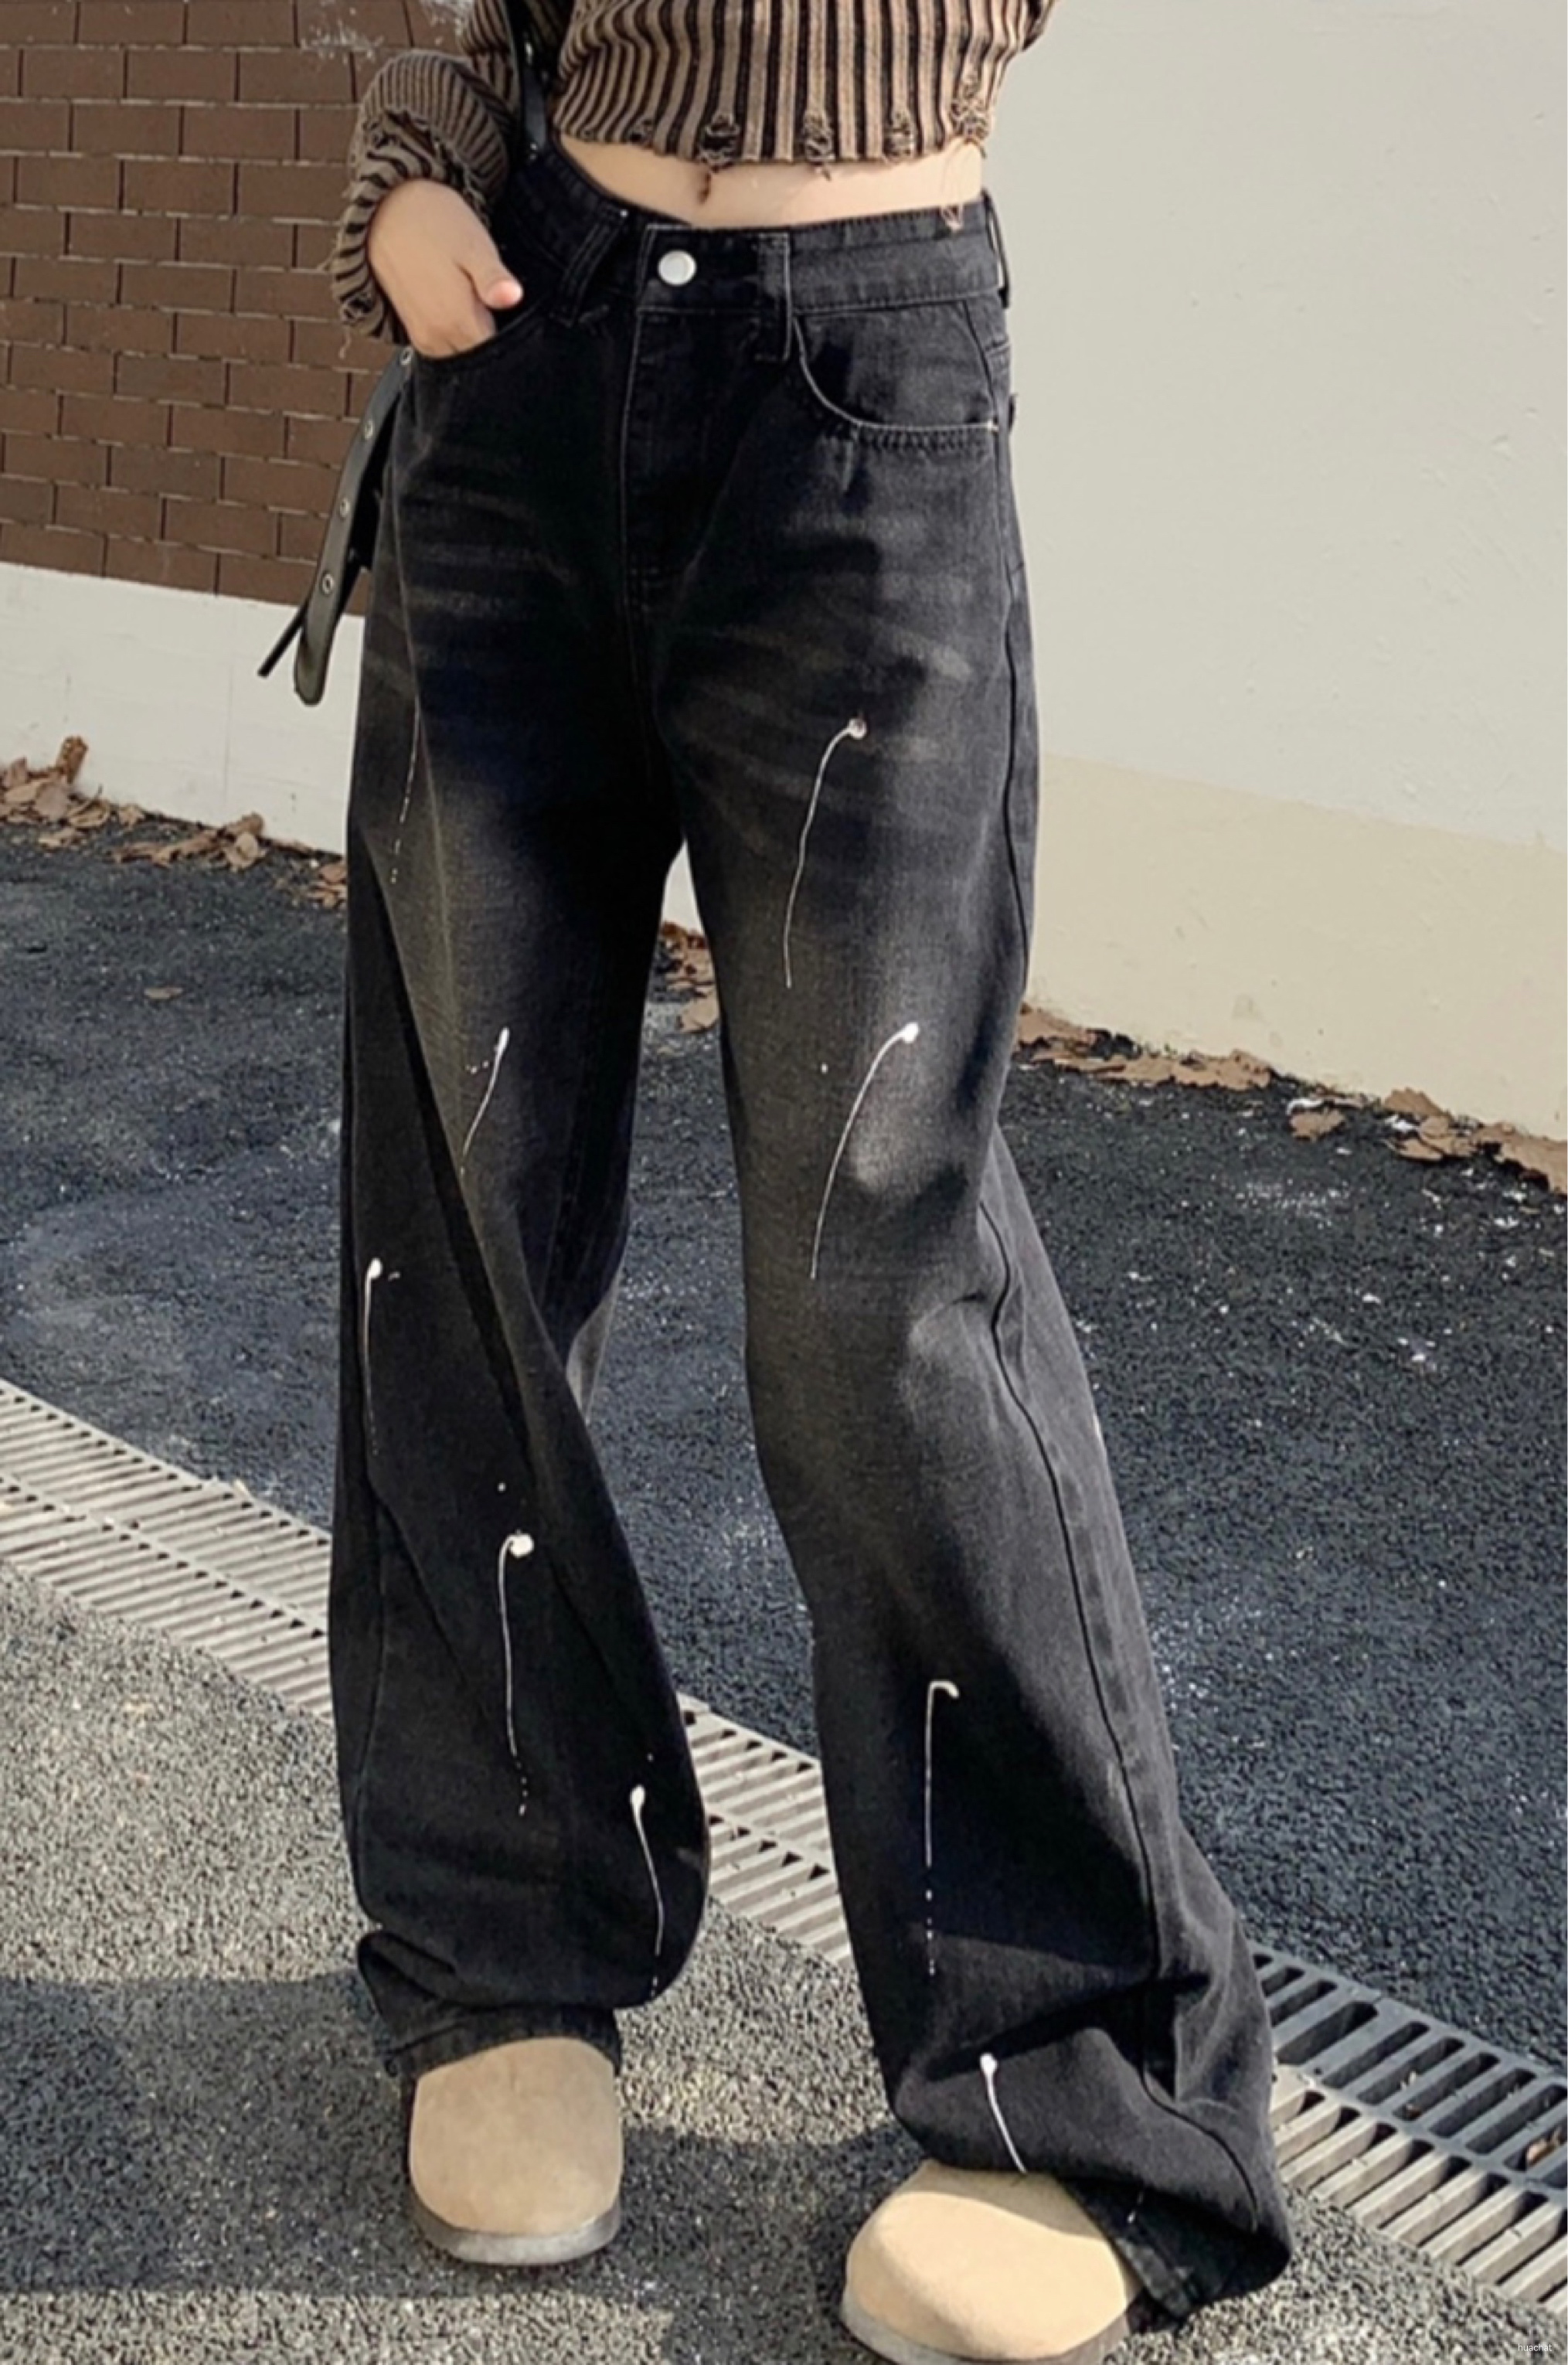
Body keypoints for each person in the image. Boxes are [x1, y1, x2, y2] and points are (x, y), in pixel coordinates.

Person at [325, 2, 1294, 2357]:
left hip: (864, 374)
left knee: (885, 1258)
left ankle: (1087, 2079)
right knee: (462, 1200)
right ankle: (503, 1948)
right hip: (525, 342)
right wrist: (416, 167)